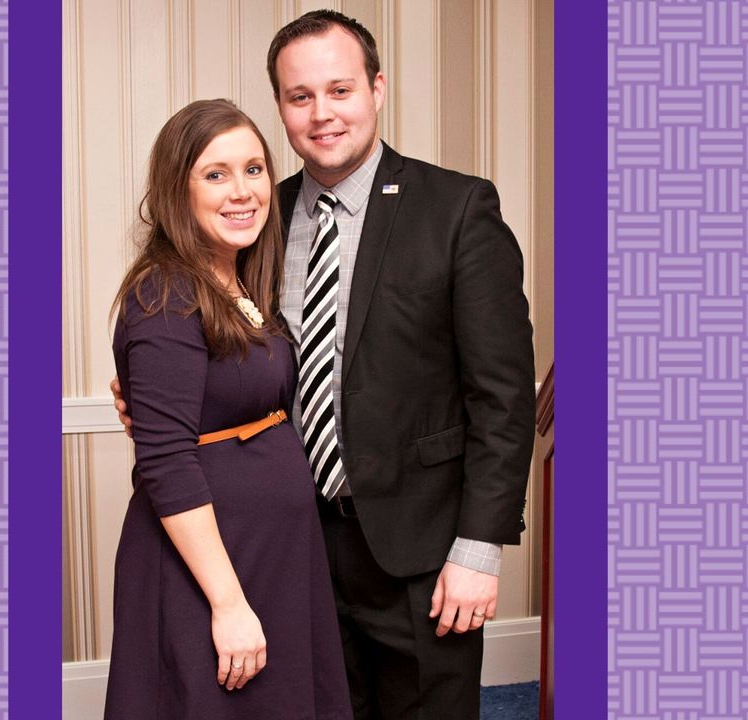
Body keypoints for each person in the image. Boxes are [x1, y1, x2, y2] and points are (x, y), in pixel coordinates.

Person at [116, 11, 535, 718]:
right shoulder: (258, 218)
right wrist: (157, 402)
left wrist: (480, 547)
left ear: (377, 88)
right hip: (292, 547)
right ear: (280, 106)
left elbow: (501, 395)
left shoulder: (456, 208)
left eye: (339, 90)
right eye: (299, 96)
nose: (322, 114)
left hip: (419, 551)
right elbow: (217, 352)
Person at [102, 99, 351, 720]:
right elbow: (165, 462)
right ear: (174, 191)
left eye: (254, 169)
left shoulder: (240, 283)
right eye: (215, 175)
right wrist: (228, 603)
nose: (242, 192)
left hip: (271, 550)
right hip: (211, 567)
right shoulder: (165, 294)